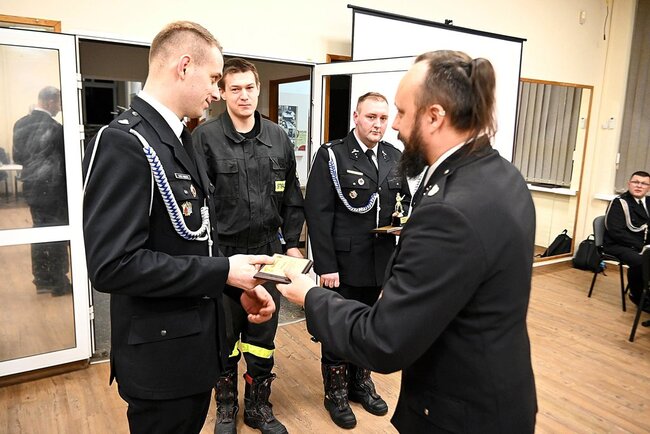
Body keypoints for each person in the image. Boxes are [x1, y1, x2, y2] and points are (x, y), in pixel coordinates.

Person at [279, 50, 538, 433]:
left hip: (460, 414)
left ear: (434, 116)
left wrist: (308, 295)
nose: (394, 125)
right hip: (499, 393)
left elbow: (383, 341)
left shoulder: (448, 208)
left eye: (400, 113)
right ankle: (338, 392)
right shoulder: (503, 175)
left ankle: (359, 385)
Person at [82, 22, 276, 434]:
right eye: (214, 79)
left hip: (191, 349)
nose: (216, 92)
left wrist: (234, 285)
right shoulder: (125, 142)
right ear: (184, 67)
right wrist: (223, 271)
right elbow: (113, 266)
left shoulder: (178, 139)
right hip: (160, 360)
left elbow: (192, 241)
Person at [192, 58, 304, 434]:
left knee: (261, 337)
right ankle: (226, 406)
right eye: (235, 88)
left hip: (267, 253)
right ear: (222, 93)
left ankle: (258, 407)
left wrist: (292, 245)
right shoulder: (204, 138)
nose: (244, 95)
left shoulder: (278, 137)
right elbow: (196, 203)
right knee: (224, 337)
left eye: (250, 87)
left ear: (258, 89)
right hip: (224, 254)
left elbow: (292, 197)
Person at [303, 91, 410, 429]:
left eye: (383, 118)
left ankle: (359, 384)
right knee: (338, 329)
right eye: (371, 117)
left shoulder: (394, 156)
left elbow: (403, 204)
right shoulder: (333, 155)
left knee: (368, 327)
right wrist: (326, 266)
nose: (378, 124)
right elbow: (318, 214)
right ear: (356, 117)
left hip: (381, 265)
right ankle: (335, 392)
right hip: (344, 265)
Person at [13, 86, 71, 296]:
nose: (60, 107)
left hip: (32, 190)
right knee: (58, 234)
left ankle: (41, 279)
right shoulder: (56, 128)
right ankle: (58, 282)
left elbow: (18, 157)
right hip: (54, 191)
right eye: (59, 103)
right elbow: (66, 163)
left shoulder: (20, 124)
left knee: (39, 231)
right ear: (50, 101)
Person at [604, 171, 650, 311]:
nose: (639, 186)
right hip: (618, 244)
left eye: (644, 184)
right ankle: (637, 296)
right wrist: (642, 247)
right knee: (641, 260)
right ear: (629, 184)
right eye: (636, 182)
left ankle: (647, 291)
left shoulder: (648, 202)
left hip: (641, 244)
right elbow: (616, 232)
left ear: (648, 187)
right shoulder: (619, 203)